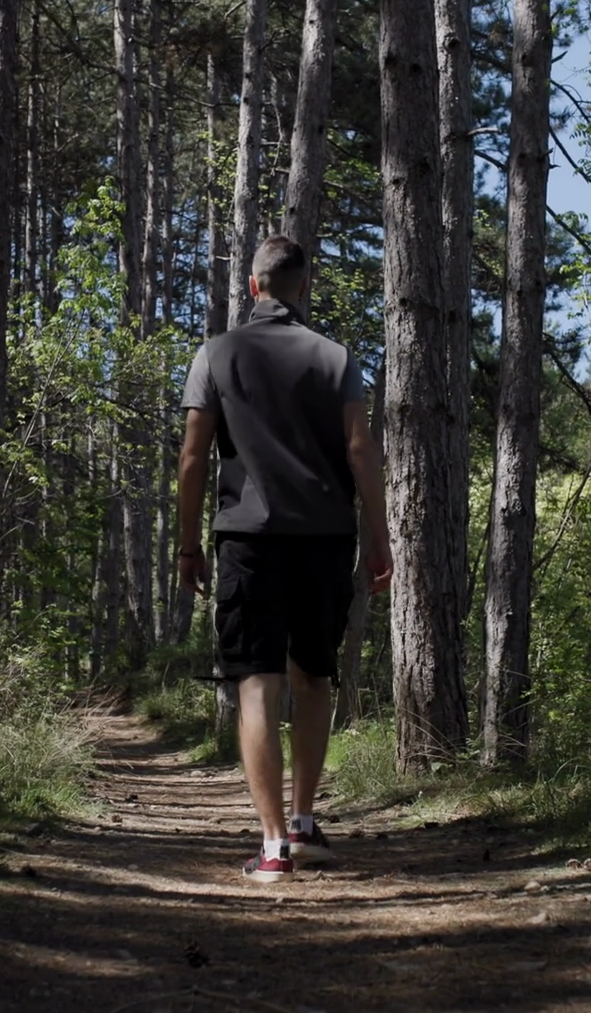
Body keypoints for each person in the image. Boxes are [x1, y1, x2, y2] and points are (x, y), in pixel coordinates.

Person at [176, 235, 392, 883]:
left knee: (257, 683)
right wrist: (379, 536)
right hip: (325, 537)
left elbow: (193, 457)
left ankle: (272, 846)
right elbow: (360, 449)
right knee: (314, 676)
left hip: (248, 538)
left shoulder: (216, 354)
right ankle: (302, 821)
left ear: (253, 286)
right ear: (304, 287)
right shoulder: (335, 357)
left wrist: (188, 544)